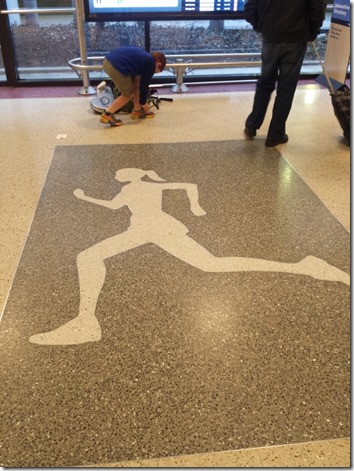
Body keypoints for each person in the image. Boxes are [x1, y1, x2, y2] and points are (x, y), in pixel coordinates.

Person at [29, 168, 349, 345]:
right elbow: (122, 204)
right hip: (145, 229)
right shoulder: (136, 188)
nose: (118, 174)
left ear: (135, 174)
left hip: (155, 229)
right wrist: (88, 198)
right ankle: (86, 320)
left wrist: (195, 205)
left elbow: (186, 184)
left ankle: (305, 267)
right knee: (90, 256)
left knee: (213, 265)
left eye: (122, 171)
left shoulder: (141, 186)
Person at [243, 0, 325, 147]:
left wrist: (261, 26)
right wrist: (312, 32)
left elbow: (250, 8)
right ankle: (276, 134)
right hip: (295, 38)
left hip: (270, 37)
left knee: (265, 83)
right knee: (286, 89)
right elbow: (317, 8)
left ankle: (252, 125)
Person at [99, 46, 166, 126]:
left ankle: (137, 111)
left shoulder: (143, 58)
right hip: (116, 65)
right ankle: (107, 114)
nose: (152, 73)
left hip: (108, 62)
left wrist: (138, 107)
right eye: (156, 72)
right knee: (127, 94)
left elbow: (137, 84)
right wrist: (144, 103)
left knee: (134, 86)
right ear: (159, 64)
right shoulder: (151, 63)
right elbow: (144, 86)